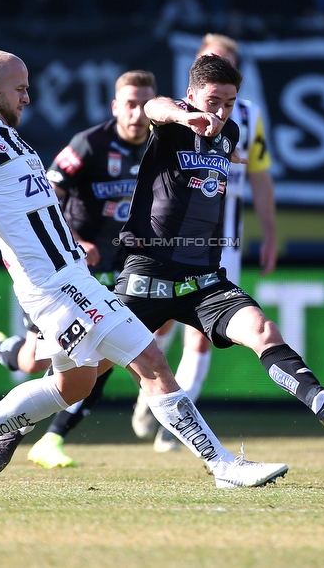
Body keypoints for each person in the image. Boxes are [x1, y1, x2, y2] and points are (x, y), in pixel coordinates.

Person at [0, 49, 288, 489]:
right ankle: (223, 466)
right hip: (54, 287)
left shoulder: (11, 141)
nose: (28, 98)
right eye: (20, 89)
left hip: (72, 279)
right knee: (151, 361)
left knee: (74, 387)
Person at [116, 53, 324, 438]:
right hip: (148, 275)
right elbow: (156, 105)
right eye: (212, 101)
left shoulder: (231, 133)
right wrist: (184, 115)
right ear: (190, 95)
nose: (221, 112)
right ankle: (14, 422)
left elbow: (243, 163)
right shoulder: (171, 124)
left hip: (202, 280)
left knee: (263, 330)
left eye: (229, 103)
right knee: (81, 373)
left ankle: (321, 399)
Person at [0, 69, 157, 470]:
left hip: (120, 267)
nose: (137, 114)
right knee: (35, 362)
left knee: (110, 354)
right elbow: (46, 192)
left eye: (144, 106)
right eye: (130, 105)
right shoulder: (88, 145)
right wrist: (75, 240)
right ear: (116, 107)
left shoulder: (155, 146)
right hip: (61, 268)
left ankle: (49, 434)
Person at [129, 33, 278, 452]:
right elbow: (152, 108)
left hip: (222, 237)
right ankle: (153, 393)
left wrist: (270, 233)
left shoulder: (248, 118)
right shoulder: (176, 109)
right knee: (158, 322)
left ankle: (175, 425)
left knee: (202, 332)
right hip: (167, 237)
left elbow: (260, 176)